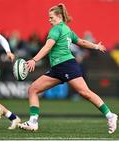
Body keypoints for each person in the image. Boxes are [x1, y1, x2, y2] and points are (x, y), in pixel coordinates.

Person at [18, 3, 118, 134]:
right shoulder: (67, 29)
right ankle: (33, 122)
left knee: (85, 93)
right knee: (33, 89)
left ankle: (110, 116)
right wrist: (96, 46)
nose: (49, 20)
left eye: (51, 17)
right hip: (58, 68)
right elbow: (81, 41)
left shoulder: (56, 29)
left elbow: (47, 47)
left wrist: (34, 60)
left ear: (59, 16)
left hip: (66, 65)